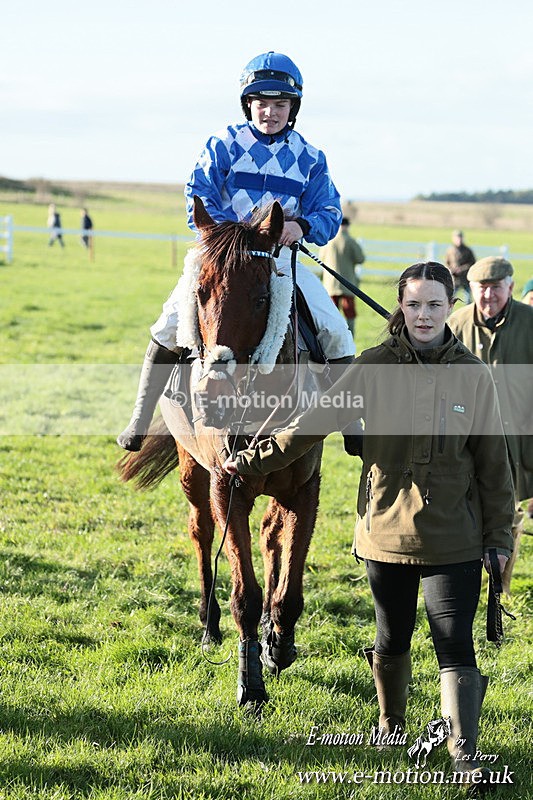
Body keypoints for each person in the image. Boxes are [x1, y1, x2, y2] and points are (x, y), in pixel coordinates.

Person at [224, 262, 514, 790]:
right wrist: (251, 461)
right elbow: (309, 426)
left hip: (456, 538)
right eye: (414, 304)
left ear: (451, 308)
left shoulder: (475, 376)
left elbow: (496, 468)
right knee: (392, 638)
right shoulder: (372, 367)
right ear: (401, 307)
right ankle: (390, 725)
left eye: (434, 305)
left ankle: (465, 759)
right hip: (385, 534)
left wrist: (499, 539)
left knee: (455, 645)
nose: (423, 315)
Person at [117, 51, 354, 452]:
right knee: (170, 322)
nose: (271, 113)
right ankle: (140, 419)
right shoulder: (222, 145)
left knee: (335, 330)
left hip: (278, 261)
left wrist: (301, 226)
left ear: (292, 108)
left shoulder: (310, 157)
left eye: (281, 105)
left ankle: (351, 424)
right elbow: (198, 195)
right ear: (249, 105)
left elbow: (329, 210)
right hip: (221, 256)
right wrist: (230, 235)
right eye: (263, 104)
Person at [449, 256, 533, 584]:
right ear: (471, 289)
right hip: (465, 442)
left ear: (510, 287)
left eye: (495, 288)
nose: (488, 296)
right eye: (481, 289)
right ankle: (466, 579)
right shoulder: (455, 325)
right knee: (465, 511)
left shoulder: (529, 322)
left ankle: (501, 584)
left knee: (508, 513)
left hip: (517, 443)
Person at [319, 216, 365, 337]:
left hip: (330, 284)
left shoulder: (328, 241)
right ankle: (349, 337)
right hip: (348, 284)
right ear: (347, 226)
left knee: (331, 314)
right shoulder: (350, 241)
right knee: (349, 314)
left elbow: (321, 258)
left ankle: (330, 337)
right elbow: (360, 259)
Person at [445, 230, 475, 301]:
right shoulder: (450, 250)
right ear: (453, 238)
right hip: (455, 279)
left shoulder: (468, 250)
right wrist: (451, 270)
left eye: (460, 237)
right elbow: (447, 263)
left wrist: (462, 269)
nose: (459, 239)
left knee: (468, 299)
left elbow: (472, 263)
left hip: (465, 278)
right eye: (457, 238)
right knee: (450, 299)